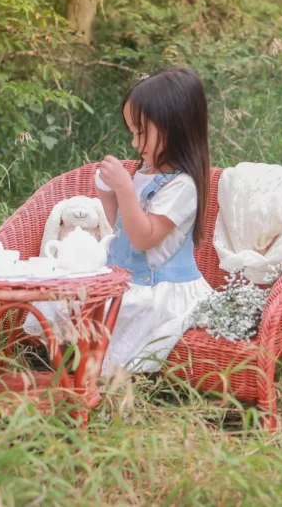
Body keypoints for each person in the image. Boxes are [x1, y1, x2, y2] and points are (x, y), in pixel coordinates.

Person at [92, 67, 215, 374]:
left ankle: (104, 386)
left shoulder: (183, 186)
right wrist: (109, 196)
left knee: (110, 311)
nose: (135, 144)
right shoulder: (143, 173)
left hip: (159, 289)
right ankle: (78, 376)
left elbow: (144, 238)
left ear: (175, 127)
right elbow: (120, 229)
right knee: (78, 301)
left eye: (141, 133)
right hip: (127, 279)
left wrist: (123, 188)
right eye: (132, 132)